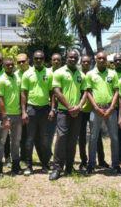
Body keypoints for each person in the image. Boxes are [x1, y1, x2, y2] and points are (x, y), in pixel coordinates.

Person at [49, 50, 87, 181]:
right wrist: (69, 107)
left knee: (73, 139)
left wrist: (79, 106)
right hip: (63, 112)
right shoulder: (59, 72)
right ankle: (57, 168)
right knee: (61, 138)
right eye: (70, 57)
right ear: (66, 58)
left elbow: (85, 93)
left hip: (77, 112)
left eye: (75, 57)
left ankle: (69, 167)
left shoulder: (81, 74)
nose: (73, 59)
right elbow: (56, 92)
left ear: (78, 59)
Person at [85, 52, 121, 175]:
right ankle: (91, 164)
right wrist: (96, 107)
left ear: (106, 60)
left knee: (114, 137)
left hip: (110, 109)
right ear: (95, 59)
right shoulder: (90, 74)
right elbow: (88, 92)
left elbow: (117, 91)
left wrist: (111, 108)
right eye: (99, 58)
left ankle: (116, 164)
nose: (101, 60)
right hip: (96, 110)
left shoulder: (113, 73)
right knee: (93, 137)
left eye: (103, 58)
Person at [21, 50, 54, 175]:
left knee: (45, 139)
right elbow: (23, 94)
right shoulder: (27, 74)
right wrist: (24, 112)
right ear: (32, 59)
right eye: (36, 58)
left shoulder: (49, 73)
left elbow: (52, 93)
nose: (38, 60)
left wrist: (52, 109)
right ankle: (29, 166)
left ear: (44, 59)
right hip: (32, 109)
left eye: (41, 58)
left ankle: (45, 165)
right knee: (29, 139)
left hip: (45, 109)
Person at [78, 55, 109, 171]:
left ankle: (101, 160)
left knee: (97, 136)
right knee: (81, 137)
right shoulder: (79, 75)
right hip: (81, 111)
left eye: (87, 62)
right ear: (80, 63)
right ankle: (83, 161)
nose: (85, 63)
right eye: (83, 62)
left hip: (92, 110)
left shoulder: (92, 74)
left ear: (91, 62)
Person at [0, 58, 23, 176]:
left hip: (17, 114)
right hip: (5, 116)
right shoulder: (1, 80)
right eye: (7, 65)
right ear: (4, 66)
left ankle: (16, 166)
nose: (10, 67)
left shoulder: (18, 78)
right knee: (1, 142)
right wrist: (5, 117)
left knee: (16, 141)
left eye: (12, 65)